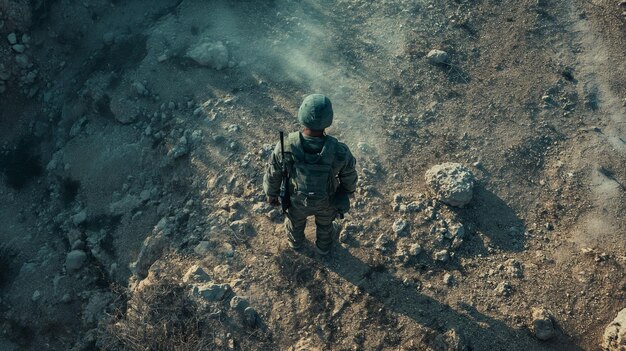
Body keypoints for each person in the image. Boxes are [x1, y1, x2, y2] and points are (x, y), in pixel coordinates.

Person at [263, 94, 358, 255]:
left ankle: (296, 243)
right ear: (329, 119)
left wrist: (271, 194)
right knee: (325, 225)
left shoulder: (285, 146)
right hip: (327, 200)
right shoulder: (339, 150)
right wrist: (347, 192)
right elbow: (349, 175)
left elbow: (274, 173)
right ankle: (323, 248)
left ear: (302, 115)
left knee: (295, 222)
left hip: (296, 200)